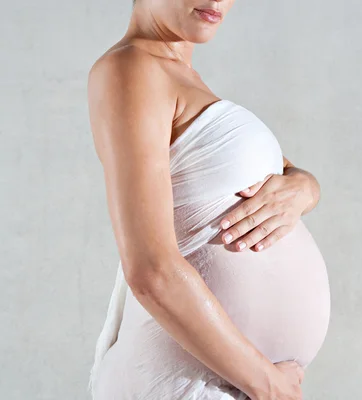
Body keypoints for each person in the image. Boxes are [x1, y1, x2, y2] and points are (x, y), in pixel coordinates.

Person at [86, 0, 331, 399]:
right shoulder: (131, 69)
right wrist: (270, 387)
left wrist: (307, 187)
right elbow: (152, 270)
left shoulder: (181, 79)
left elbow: (286, 175)